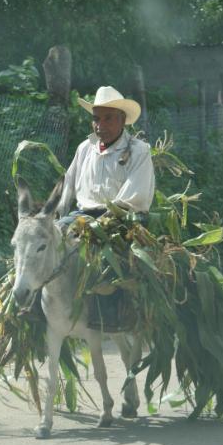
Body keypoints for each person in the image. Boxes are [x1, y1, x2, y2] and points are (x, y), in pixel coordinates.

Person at [56, 85, 155, 331]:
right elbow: (68, 184)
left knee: (107, 255)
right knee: (46, 244)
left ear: (122, 120)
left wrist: (106, 220)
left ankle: (108, 313)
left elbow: (136, 195)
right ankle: (40, 305)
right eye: (96, 119)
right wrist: (56, 216)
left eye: (108, 118)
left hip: (123, 216)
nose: (101, 124)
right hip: (82, 216)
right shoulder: (84, 149)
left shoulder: (139, 151)